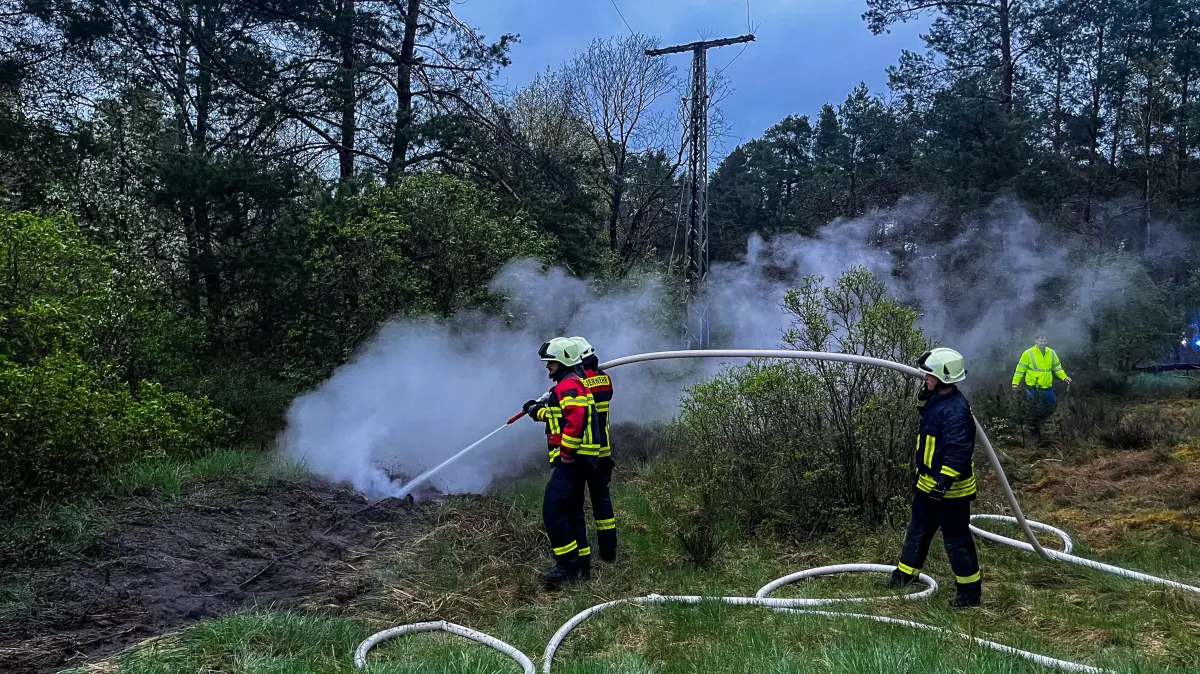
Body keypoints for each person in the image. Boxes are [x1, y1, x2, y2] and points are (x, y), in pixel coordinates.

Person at [887, 347, 982, 609]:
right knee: (917, 532)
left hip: (951, 492)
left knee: (956, 541)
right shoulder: (936, 399)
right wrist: (923, 394)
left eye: (929, 376)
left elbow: (959, 450)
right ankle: (905, 576)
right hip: (927, 483)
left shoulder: (956, 410)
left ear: (943, 377)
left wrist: (944, 481)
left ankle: (968, 594)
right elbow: (923, 410)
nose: (925, 379)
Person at [523, 337, 596, 590]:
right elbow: (560, 416)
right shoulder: (569, 385)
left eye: (550, 363)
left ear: (563, 361)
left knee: (553, 510)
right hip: (579, 460)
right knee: (572, 512)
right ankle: (581, 567)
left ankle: (566, 566)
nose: (548, 368)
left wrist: (566, 451)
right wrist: (536, 411)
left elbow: (575, 419)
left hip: (571, 460)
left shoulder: (568, 386)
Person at [570, 336, 617, 565]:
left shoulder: (577, 384)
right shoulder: (604, 379)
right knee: (602, 503)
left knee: (576, 506)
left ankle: (582, 557)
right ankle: (609, 553)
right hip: (603, 454)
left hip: (582, 455)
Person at [1011, 333, 1072, 443]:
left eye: (1044, 341)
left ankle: (1042, 425)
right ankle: (1034, 433)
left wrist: (1064, 377)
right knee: (1034, 410)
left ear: (1047, 341)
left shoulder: (1051, 353)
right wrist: (1015, 383)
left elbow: (1057, 367)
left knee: (1051, 406)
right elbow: (1020, 369)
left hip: (1047, 387)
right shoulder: (1028, 353)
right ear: (1035, 340)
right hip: (1033, 388)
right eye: (1040, 340)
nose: (1042, 343)